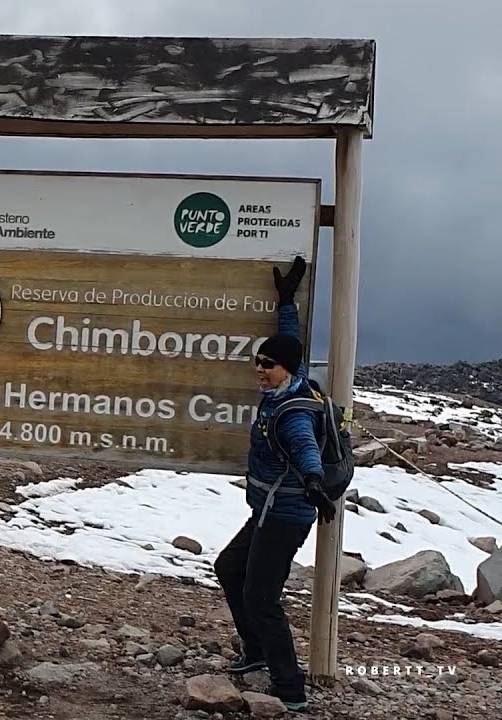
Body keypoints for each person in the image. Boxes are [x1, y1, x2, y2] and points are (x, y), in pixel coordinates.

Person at [215, 254, 331, 713]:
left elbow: (304, 445)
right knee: (230, 568)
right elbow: (293, 343)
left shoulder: (293, 410)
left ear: (285, 369)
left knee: (262, 596)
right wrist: (287, 303)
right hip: (266, 510)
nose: (261, 369)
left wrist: (314, 480)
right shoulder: (293, 382)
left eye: (268, 364)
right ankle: (256, 650)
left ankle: (290, 689)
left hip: (285, 514)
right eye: (257, 362)